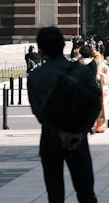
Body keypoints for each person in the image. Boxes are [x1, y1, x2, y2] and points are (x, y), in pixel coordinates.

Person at [28, 26, 98, 203]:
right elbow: (95, 103)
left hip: (50, 139)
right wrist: (81, 131)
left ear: (41, 49)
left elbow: (38, 111)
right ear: (63, 45)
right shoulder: (82, 71)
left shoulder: (35, 77)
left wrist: (58, 132)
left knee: (55, 195)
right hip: (77, 137)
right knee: (86, 192)